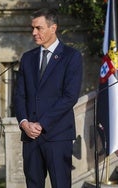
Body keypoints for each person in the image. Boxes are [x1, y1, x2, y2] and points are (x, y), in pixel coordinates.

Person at [14, 8, 83, 188]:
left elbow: (70, 97)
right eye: (33, 28)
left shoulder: (71, 56)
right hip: (30, 136)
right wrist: (24, 123)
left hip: (58, 136)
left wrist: (42, 123)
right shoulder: (28, 58)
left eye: (39, 28)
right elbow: (19, 96)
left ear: (53, 28)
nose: (34, 33)